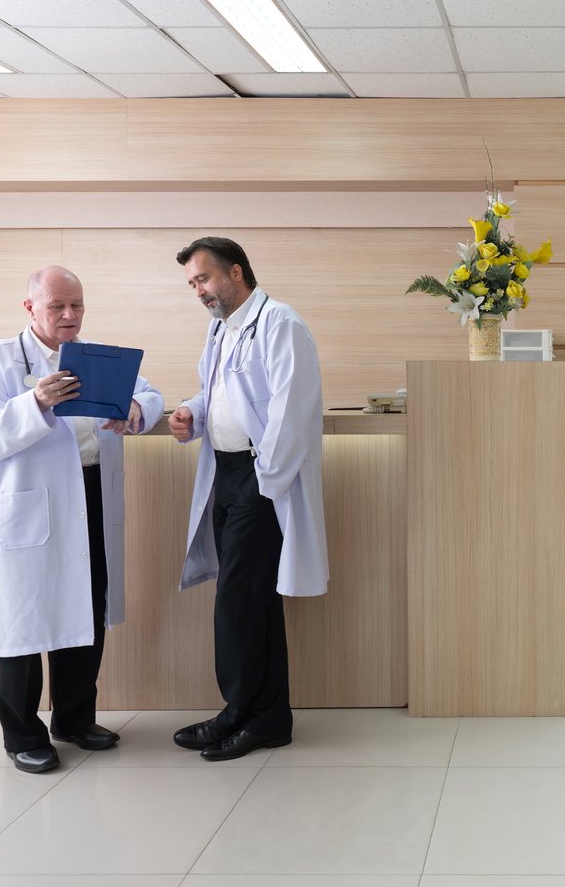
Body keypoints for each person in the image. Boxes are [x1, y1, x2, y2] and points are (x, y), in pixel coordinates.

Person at [0, 266, 163, 774]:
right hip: (30, 505)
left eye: (77, 306)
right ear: (30, 307)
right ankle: (22, 733)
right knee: (23, 618)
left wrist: (135, 410)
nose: (69, 316)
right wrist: (36, 401)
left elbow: (151, 395)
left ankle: (74, 719)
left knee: (86, 607)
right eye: (57, 307)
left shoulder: (97, 359)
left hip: (89, 493)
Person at [167, 237, 327, 762]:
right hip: (227, 473)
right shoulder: (222, 328)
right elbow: (218, 391)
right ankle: (268, 718)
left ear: (236, 272)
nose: (199, 291)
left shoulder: (281, 324)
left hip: (261, 480)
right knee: (256, 604)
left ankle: (240, 713)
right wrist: (192, 412)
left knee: (238, 603)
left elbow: (290, 411)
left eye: (204, 278)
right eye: (193, 283)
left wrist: (264, 484)